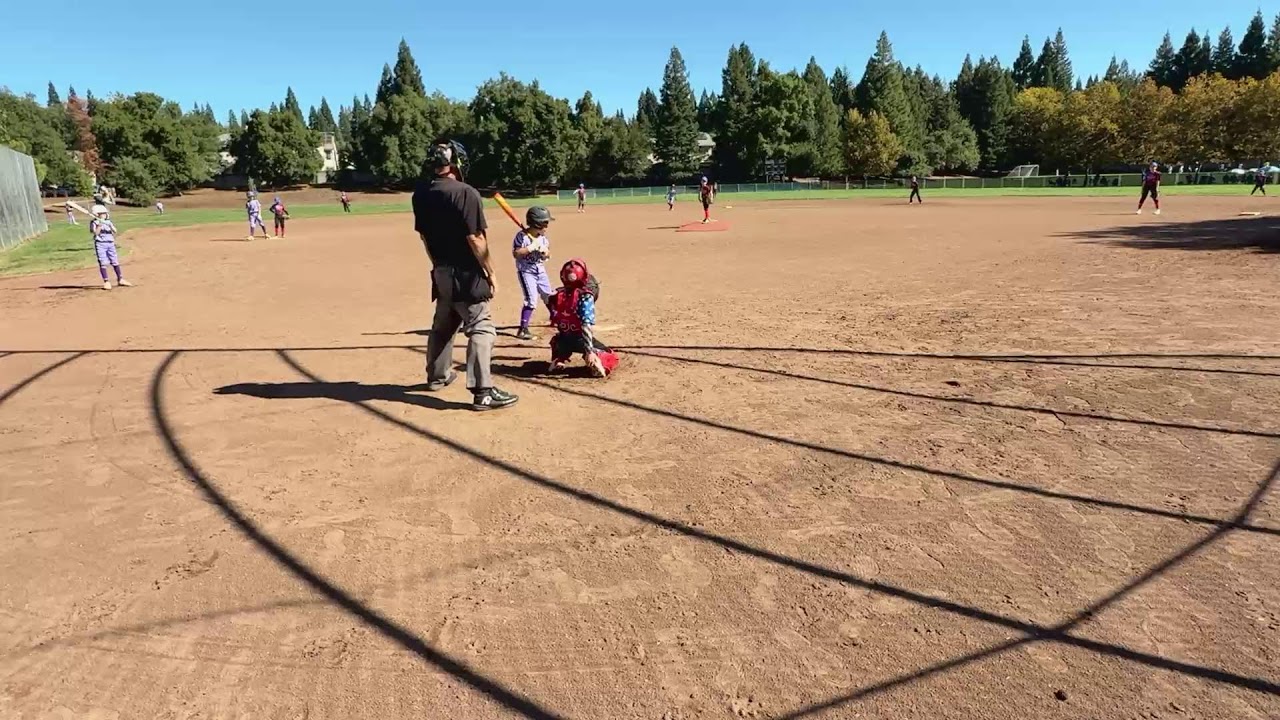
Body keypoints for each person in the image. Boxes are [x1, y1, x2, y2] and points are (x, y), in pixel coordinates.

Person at [413, 139, 518, 412]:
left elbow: (424, 236)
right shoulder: (466, 193)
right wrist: (491, 272)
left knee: (444, 325)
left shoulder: (421, 193)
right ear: (456, 163)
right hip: (467, 273)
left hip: (441, 270)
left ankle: (437, 377)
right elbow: (476, 238)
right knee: (482, 327)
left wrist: (437, 266)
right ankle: (483, 391)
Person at [546, 258, 618, 378]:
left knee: (559, 339)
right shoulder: (584, 297)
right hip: (580, 340)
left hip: (563, 340)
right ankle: (596, 361)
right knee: (611, 356)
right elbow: (585, 325)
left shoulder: (558, 295)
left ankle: (559, 357)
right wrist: (589, 352)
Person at [513, 206, 554, 341]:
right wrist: (530, 248)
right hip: (526, 272)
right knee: (531, 300)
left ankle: (556, 318)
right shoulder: (521, 236)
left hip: (540, 270)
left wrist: (544, 253)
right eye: (545, 223)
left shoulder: (543, 238)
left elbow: (547, 254)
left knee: (549, 296)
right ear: (537, 223)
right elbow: (516, 253)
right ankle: (523, 329)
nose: (547, 227)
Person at [90, 208, 132, 290]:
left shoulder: (108, 221)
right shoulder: (94, 222)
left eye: (105, 213)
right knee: (103, 262)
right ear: (97, 214)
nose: (105, 215)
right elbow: (95, 233)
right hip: (100, 244)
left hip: (110, 243)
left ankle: (120, 279)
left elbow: (115, 231)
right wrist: (100, 225)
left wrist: (109, 224)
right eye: (103, 213)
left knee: (115, 261)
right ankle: (106, 281)